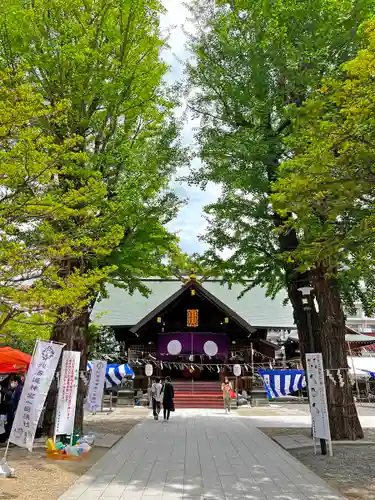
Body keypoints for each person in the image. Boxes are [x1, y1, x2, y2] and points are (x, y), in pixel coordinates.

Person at [0, 375, 23, 442]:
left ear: (16, 382)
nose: (11, 382)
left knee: (10, 425)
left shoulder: (19, 389)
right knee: (7, 424)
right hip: (10, 410)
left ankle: (9, 438)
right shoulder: (14, 389)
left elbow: (18, 400)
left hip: (12, 410)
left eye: (13, 381)